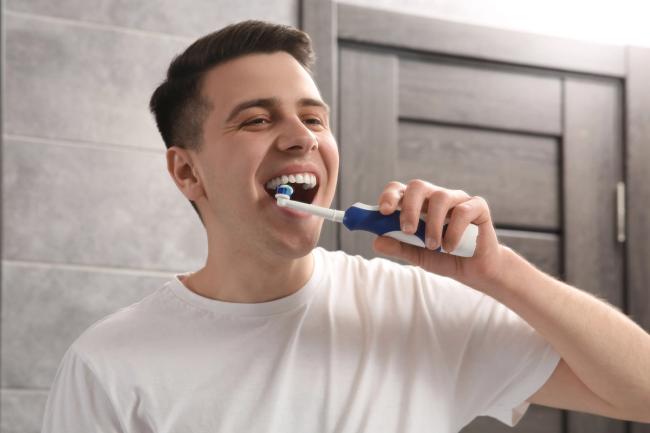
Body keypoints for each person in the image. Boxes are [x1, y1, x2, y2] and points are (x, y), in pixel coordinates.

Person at [41, 20, 650, 432]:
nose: (302, 136)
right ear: (187, 172)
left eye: (314, 118)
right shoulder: (110, 365)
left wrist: (501, 273)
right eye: (255, 120)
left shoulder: (420, 309)